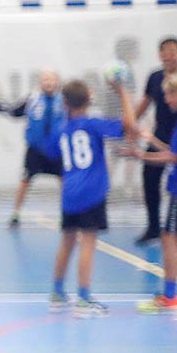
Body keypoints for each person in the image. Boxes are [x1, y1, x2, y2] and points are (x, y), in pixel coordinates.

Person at [50, 76, 139, 315]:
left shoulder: (61, 128)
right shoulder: (93, 125)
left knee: (67, 241)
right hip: (91, 192)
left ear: (65, 103)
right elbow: (129, 125)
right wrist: (122, 91)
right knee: (88, 243)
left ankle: (57, 293)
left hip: (69, 192)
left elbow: (51, 152)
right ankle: (83, 298)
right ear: (89, 101)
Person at [127, 71, 177, 312]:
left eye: (172, 93)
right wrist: (151, 139)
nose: (168, 99)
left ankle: (170, 296)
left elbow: (173, 157)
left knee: (168, 238)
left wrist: (140, 155)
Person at [0, 68, 63, 228]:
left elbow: (77, 115)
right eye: (45, 79)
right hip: (35, 150)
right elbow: (14, 111)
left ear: (57, 82)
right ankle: (16, 213)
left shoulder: (64, 101)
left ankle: (67, 213)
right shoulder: (32, 100)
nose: (48, 82)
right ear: (40, 82)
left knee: (64, 181)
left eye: (51, 79)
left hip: (57, 150)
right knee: (25, 180)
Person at [134, 37, 177, 244]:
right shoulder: (155, 77)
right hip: (160, 134)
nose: (168, 55)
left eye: (172, 51)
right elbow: (145, 102)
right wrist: (130, 124)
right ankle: (153, 227)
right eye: (164, 51)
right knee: (149, 176)